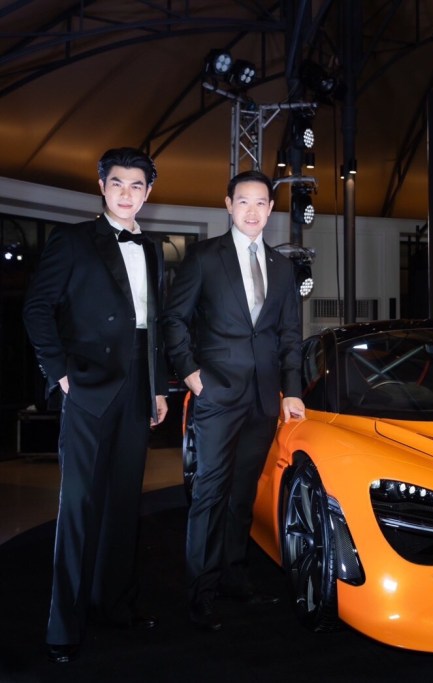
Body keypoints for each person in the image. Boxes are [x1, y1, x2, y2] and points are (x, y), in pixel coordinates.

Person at [23, 147, 169, 664]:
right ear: (102, 187)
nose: (127, 194)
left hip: (137, 388)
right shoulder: (73, 240)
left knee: (125, 504)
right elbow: (36, 309)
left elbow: (152, 327)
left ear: (148, 193)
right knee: (79, 507)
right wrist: (59, 372)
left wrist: (157, 387)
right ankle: (64, 626)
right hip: (87, 386)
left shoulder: (153, 248)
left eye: (137, 186)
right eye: (118, 184)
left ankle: (116, 606)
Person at [161, 169, 305, 631]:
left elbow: (290, 334)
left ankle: (234, 577)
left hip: (264, 399)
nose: (252, 211)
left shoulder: (283, 268)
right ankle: (200, 591)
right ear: (228, 205)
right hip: (217, 393)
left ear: (271, 209)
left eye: (261, 202)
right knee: (209, 492)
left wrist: (293, 389)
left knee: (242, 494)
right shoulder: (205, 257)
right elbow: (174, 319)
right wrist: (189, 372)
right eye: (244, 201)